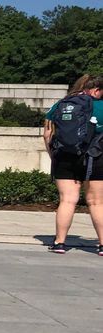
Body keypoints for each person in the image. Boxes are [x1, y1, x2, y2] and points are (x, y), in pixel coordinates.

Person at [44, 75, 103, 255]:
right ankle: (102, 245)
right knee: (96, 202)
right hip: (96, 157)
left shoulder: (60, 105)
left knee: (67, 200)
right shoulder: (101, 106)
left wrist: (53, 156)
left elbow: (47, 134)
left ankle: (60, 242)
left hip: (64, 157)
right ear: (96, 90)